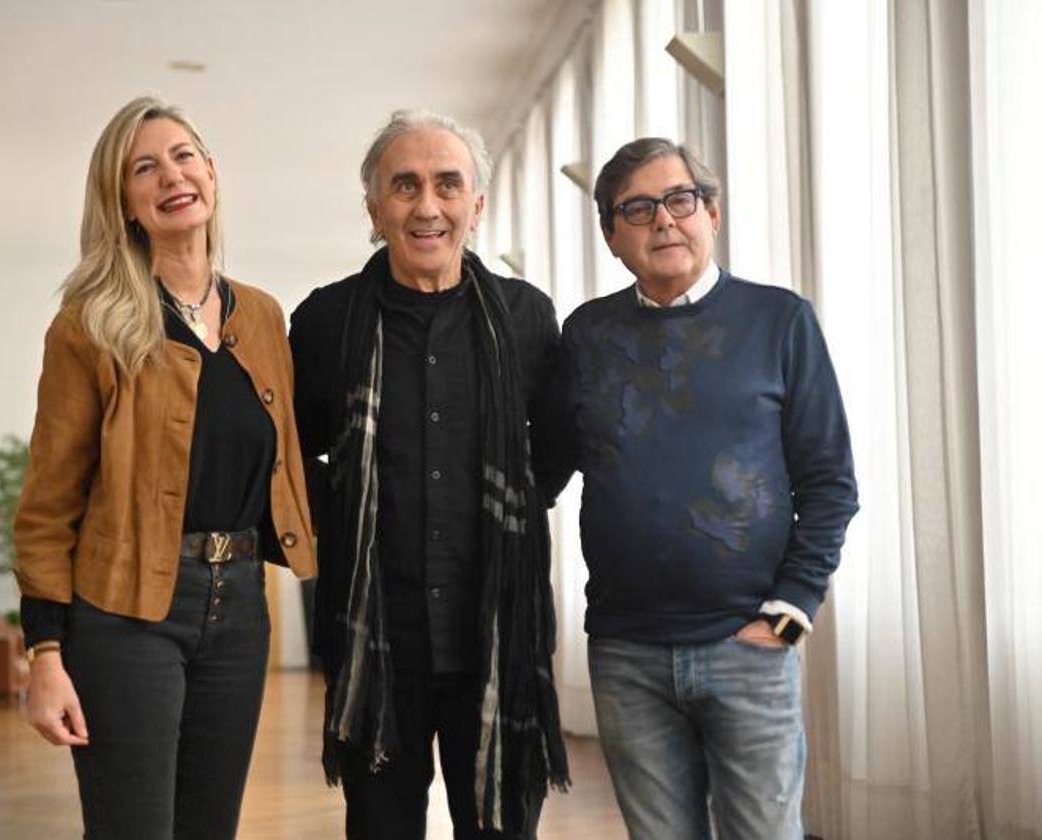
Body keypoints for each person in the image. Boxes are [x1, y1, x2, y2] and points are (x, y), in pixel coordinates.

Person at [537, 138, 859, 840]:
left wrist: (791, 608)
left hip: (748, 643)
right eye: (638, 208)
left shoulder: (781, 321)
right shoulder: (588, 333)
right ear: (611, 235)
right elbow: (546, 467)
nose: (664, 221)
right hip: (626, 650)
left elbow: (830, 481)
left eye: (680, 200)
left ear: (711, 212)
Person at [13, 95, 315, 839]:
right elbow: (49, 502)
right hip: (125, 615)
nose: (171, 176)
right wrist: (45, 654)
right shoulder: (90, 322)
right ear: (124, 202)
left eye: (183, 156)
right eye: (144, 167)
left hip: (242, 606)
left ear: (211, 172)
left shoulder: (265, 317)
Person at [289, 109, 569, 839]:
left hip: (496, 636)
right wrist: (343, 525)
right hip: (376, 642)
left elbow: (559, 450)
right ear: (374, 209)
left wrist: (508, 517)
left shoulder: (527, 317)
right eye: (404, 185)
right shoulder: (325, 322)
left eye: (448, 185)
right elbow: (290, 455)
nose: (427, 206)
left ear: (476, 204)